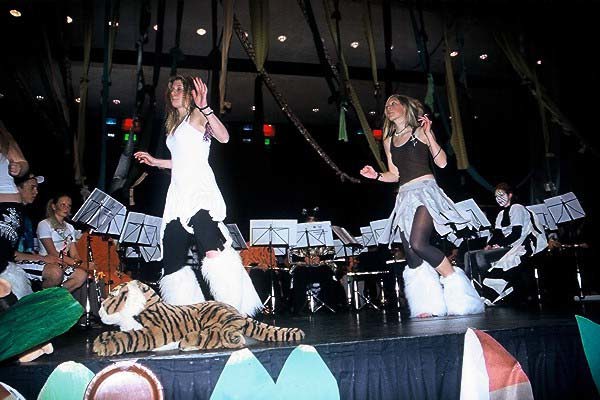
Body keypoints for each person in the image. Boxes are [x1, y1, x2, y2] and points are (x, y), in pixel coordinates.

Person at [134, 75, 261, 316]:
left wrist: (205, 107)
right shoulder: (175, 125)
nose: (173, 92)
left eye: (178, 88)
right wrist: (156, 161)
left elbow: (224, 137)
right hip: (178, 197)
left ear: (190, 93)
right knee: (172, 259)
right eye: (171, 89)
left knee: (213, 252)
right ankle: (185, 315)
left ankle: (234, 311)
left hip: (200, 193)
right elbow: (182, 161)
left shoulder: (197, 115)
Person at [360, 94, 484, 317]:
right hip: (404, 196)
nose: (389, 107)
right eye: (387, 105)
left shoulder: (419, 131)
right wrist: (376, 175)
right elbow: (394, 174)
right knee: (411, 253)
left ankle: (460, 292)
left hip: (425, 192)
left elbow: (442, 162)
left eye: (393, 103)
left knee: (418, 243)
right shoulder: (388, 140)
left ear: (405, 107)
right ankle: (428, 306)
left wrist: (429, 135)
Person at [467, 183, 548, 305]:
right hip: (508, 244)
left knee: (481, 256)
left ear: (510, 195)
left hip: (521, 244)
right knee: (469, 255)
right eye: (496, 196)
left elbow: (516, 233)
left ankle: (489, 291)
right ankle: (475, 290)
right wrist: (490, 245)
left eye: (501, 195)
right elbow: (497, 234)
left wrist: (499, 245)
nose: (498, 199)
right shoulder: (501, 214)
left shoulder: (517, 208)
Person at [28, 194, 87, 292]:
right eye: (63, 205)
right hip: (48, 261)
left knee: (81, 275)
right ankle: (42, 294)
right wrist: (80, 264)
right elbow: (53, 253)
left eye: (69, 205)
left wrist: (81, 264)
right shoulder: (44, 224)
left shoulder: (70, 227)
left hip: (64, 262)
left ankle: (56, 295)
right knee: (56, 273)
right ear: (54, 206)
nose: (66, 208)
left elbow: (74, 254)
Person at [0, 121, 28, 309]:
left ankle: (12, 306)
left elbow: (23, 164)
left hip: (5, 209)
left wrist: (18, 167)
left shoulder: (3, 139)